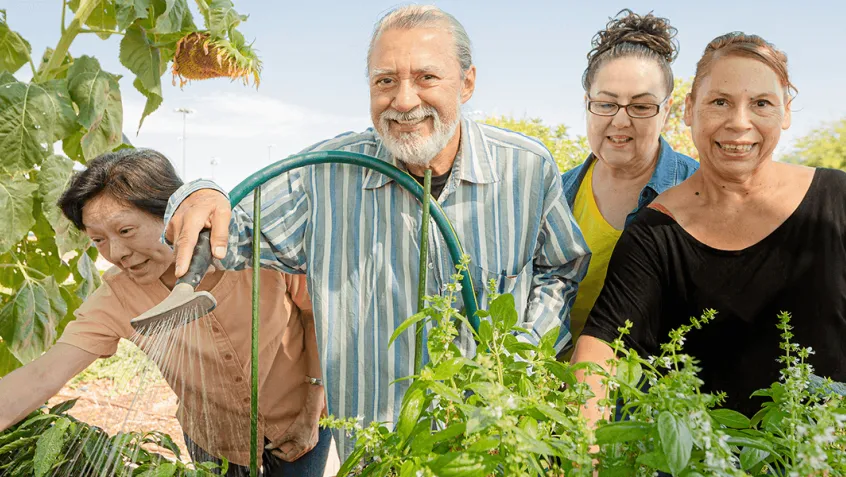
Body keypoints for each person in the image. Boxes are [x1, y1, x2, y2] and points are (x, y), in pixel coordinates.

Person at [163, 5, 590, 457]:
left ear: (466, 83)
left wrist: (520, 352)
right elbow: (234, 233)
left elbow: (560, 269)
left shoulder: (525, 167)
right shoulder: (329, 174)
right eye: (385, 81)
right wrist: (199, 194)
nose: (404, 101)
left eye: (426, 77)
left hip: (488, 443)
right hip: (374, 449)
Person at [0, 149, 331, 477]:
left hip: (300, 420)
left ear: (172, 214)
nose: (116, 253)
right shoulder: (117, 295)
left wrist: (311, 410)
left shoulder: (256, 250)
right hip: (215, 439)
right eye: (98, 239)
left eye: (126, 231)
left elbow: (316, 316)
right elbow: (44, 373)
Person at [573, 32, 846, 424]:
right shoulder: (656, 229)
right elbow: (604, 346)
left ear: (785, 112)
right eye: (720, 102)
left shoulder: (836, 197)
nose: (739, 123)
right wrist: (587, 448)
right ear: (689, 110)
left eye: (761, 104)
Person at [559, 9, 698, 359]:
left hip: (659, 397)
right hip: (559, 393)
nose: (620, 120)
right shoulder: (555, 194)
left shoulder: (701, 190)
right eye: (606, 103)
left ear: (666, 112)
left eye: (641, 106)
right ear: (587, 105)